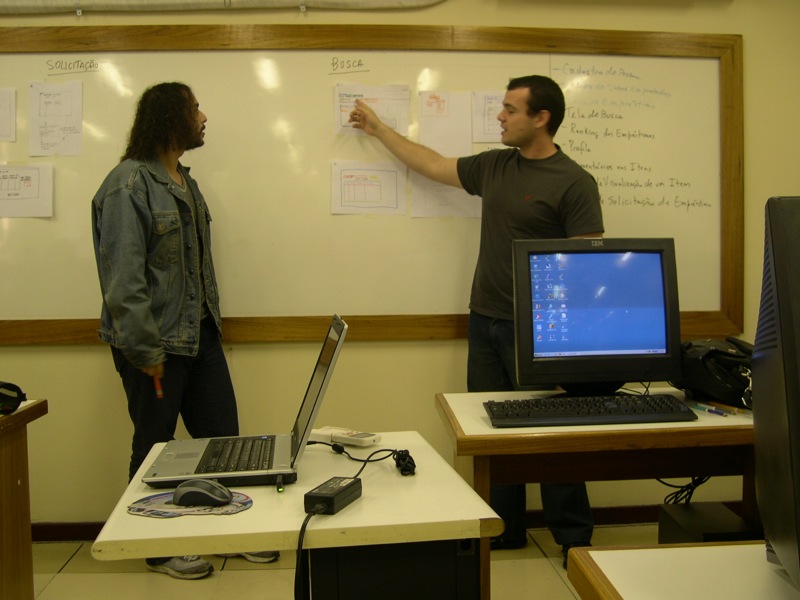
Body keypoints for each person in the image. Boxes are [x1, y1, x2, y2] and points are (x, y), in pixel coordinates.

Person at [349, 74, 603, 568]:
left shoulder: (574, 182)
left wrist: (564, 336)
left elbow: (587, 266)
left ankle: (574, 538)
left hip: (541, 333)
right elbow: (432, 164)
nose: (500, 117)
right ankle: (504, 528)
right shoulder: (495, 166)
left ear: (541, 118)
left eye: (510, 109)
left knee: (553, 437)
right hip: (485, 321)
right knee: (491, 433)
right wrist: (380, 130)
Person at [91, 82, 278, 580]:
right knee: (156, 447)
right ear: (173, 117)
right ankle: (155, 546)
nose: (204, 116)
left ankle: (230, 532)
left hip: (200, 338)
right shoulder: (128, 185)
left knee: (225, 441)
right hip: (156, 344)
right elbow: (124, 279)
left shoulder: (184, 181)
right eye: (196, 108)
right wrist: (145, 348)